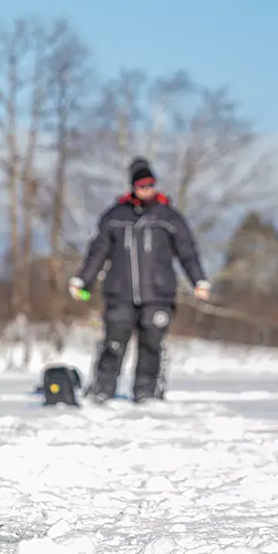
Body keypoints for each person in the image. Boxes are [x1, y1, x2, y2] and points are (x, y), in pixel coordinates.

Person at [67, 156, 211, 403]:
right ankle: (102, 389)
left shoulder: (169, 218)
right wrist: (83, 281)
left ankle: (147, 392)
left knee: (151, 344)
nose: (147, 189)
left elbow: (187, 252)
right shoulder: (114, 216)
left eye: (150, 184)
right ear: (133, 186)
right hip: (120, 293)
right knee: (113, 343)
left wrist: (198, 280)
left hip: (158, 294)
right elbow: (97, 252)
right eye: (141, 185)